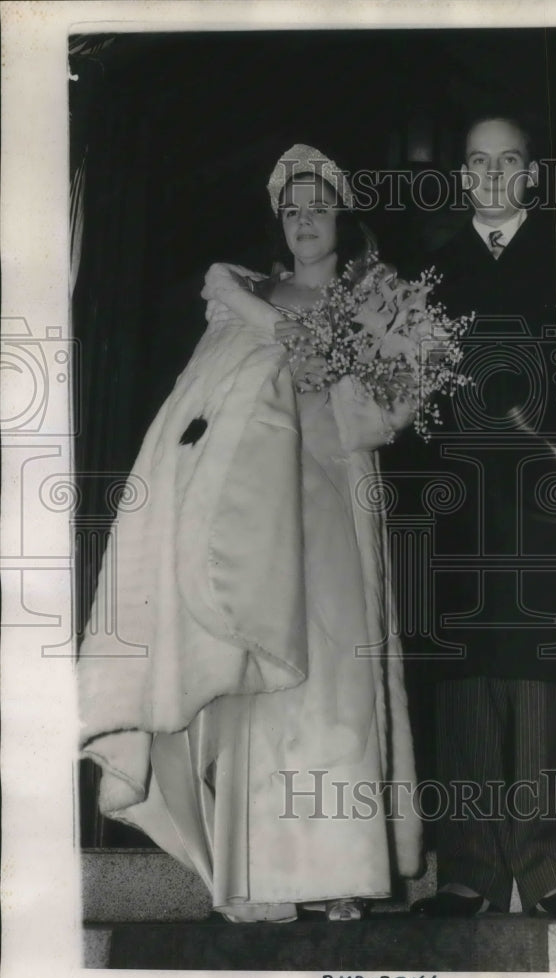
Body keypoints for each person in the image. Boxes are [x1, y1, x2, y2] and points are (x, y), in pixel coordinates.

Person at [77, 144, 421, 923]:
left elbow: (385, 410)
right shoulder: (242, 300)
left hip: (332, 504)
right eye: (292, 209)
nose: (305, 221)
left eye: (319, 206)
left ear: (342, 213)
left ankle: (340, 872)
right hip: (252, 516)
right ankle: (266, 876)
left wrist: (334, 367)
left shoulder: (376, 300)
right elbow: (196, 410)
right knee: (260, 684)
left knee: (335, 679)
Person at [400, 115, 556, 919]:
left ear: (532, 173)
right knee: (466, 676)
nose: (493, 175)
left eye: (509, 161)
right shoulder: (429, 274)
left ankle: (548, 872)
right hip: (465, 498)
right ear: (461, 176)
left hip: (551, 489)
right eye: (478, 162)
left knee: (546, 671)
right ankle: (467, 872)